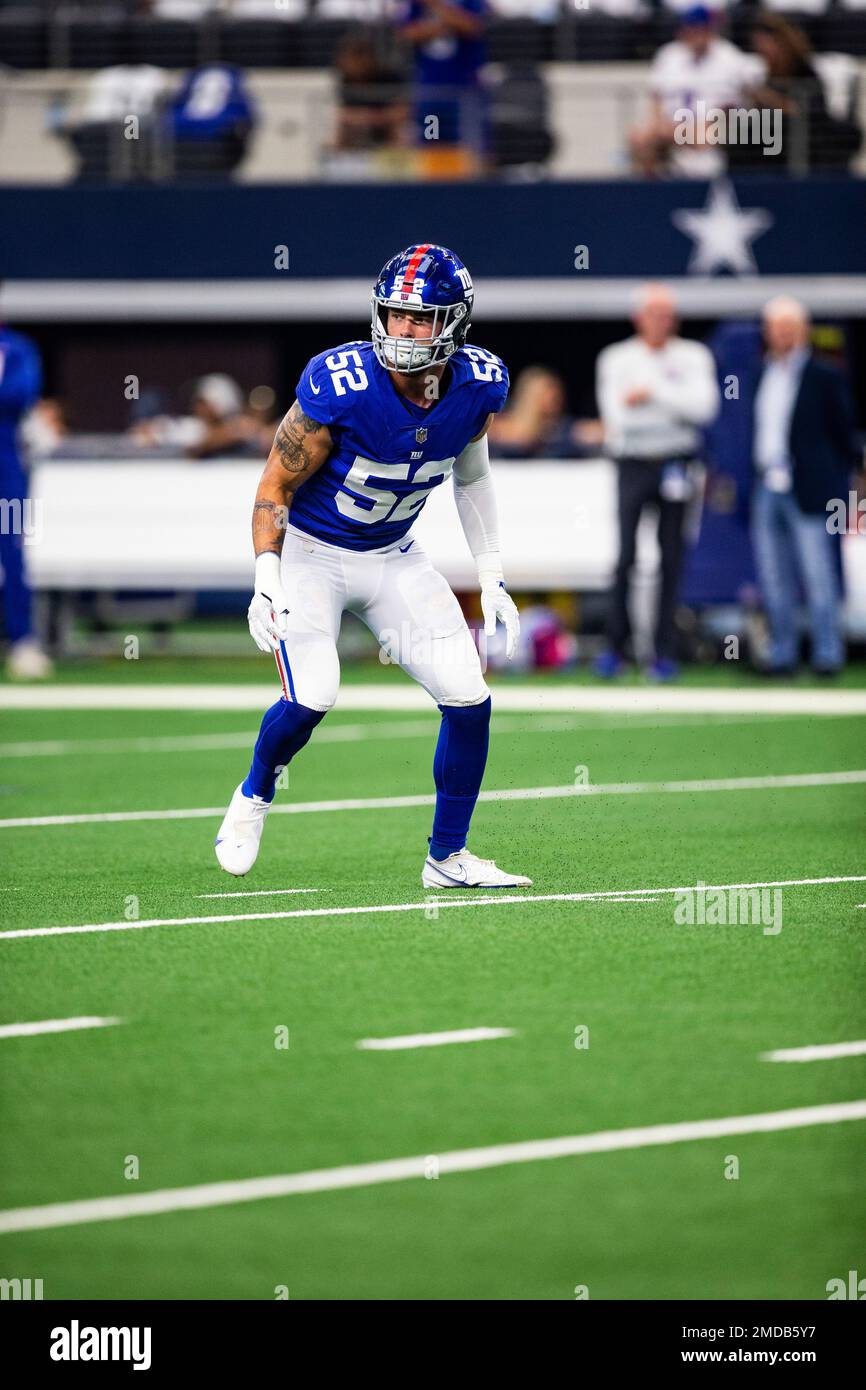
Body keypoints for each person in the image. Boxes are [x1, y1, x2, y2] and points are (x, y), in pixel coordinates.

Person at [214, 243, 530, 889]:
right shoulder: (342, 384)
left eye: (421, 318)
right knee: (314, 696)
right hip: (312, 553)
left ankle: (447, 857)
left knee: (469, 696)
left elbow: (472, 480)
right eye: (395, 315)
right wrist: (265, 578)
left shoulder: (478, 383)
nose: (404, 331)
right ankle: (253, 795)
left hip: (391, 556)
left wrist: (492, 573)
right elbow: (274, 486)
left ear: (455, 322)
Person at [594, 284, 720, 681]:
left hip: (677, 465)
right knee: (626, 557)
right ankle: (616, 648)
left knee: (672, 558)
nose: (661, 321)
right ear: (639, 318)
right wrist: (673, 404)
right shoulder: (616, 357)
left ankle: (663, 652)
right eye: (654, 313)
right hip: (632, 463)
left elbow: (704, 409)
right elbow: (619, 419)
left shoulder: (693, 356)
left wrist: (651, 393)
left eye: (668, 314)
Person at [750, 297, 859, 676]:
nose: (782, 334)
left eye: (789, 327)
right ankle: (783, 654)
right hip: (767, 484)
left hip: (808, 488)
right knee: (773, 574)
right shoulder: (760, 372)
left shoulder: (824, 375)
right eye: (776, 327)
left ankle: (827, 655)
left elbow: (844, 435)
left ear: (803, 330)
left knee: (817, 572)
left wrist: (839, 484)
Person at [631, 5, 763, 178]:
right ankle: (648, 196)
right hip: (672, 126)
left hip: (713, 128)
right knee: (640, 137)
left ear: (711, 29)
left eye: (700, 29)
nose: (695, 34)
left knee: (704, 141)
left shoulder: (730, 58)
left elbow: (733, 106)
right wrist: (661, 124)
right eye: (691, 28)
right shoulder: (669, 54)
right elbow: (657, 98)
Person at [0, 305, 53, 678]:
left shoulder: (15, 348)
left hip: (6, 465)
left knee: (12, 550)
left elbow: (21, 395)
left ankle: (22, 639)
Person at [399, 0, 488, 174]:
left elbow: (472, 27)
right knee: (432, 141)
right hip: (431, 94)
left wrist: (436, 7)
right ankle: (432, 189)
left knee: (470, 147)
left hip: (466, 92)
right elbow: (407, 33)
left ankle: (474, 190)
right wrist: (444, 25)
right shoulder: (416, 5)